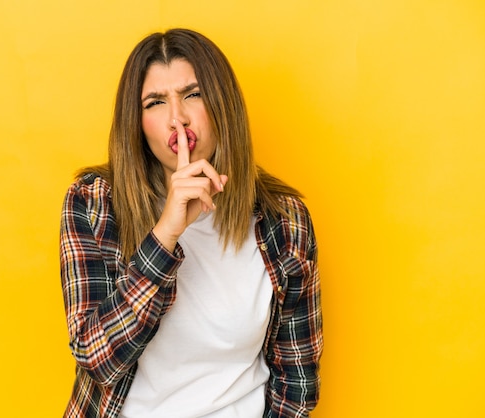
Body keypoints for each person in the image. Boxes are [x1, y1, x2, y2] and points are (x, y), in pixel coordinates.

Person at [59, 28, 322, 418]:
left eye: (192, 95)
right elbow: (97, 359)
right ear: (137, 121)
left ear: (222, 105)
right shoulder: (93, 203)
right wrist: (166, 234)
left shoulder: (284, 222)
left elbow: (297, 382)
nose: (176, 119)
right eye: (155, 102)